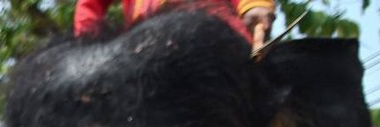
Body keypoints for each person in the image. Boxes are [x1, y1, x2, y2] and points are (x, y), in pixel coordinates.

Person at [74, 0, 276, 43]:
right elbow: (90, 6)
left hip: (224, 46)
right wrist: (87, 44)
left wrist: (254, 4)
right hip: (145, 53)